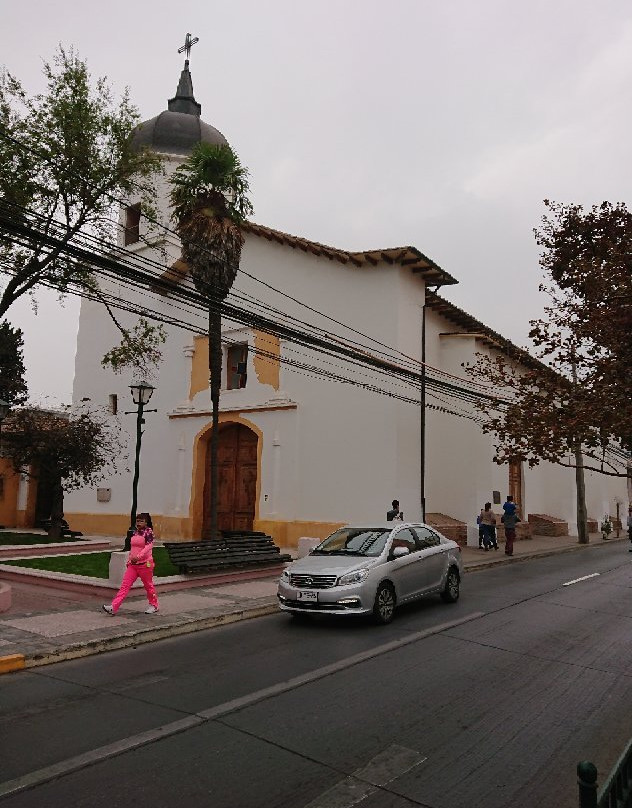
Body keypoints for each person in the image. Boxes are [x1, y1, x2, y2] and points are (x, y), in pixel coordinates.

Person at [103, 512, 159, 615]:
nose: (138, 523)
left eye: (141, 521)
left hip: (145, 564)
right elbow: (133, 548)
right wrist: (130, 560)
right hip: (133, 565)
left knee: (148, 586)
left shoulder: (148, 532)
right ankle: (113, 607)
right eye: (137, 521)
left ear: (146, 522)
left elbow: (148, 546)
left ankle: (154, 605)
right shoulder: (135, 532)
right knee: (124, 586)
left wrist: (138, 557)